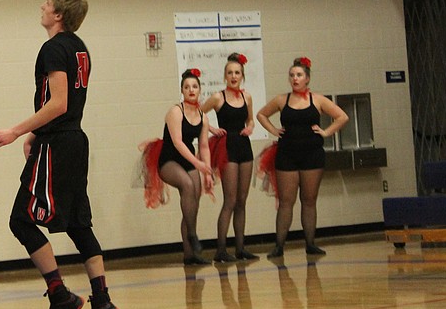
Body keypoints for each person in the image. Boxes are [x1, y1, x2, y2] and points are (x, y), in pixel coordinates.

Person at [0, 0, 121, 309]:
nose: (41, 7)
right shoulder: (79, 47)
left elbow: (58, 103)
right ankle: (102, 302)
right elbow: (66, 104)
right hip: (72, 139)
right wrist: (36, 131)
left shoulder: (54, 48)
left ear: (58, 14)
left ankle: (60, 295)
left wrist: (17, 130)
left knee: (20, 220)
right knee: (78, 223)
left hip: (57, 144)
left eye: (46, 3)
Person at [256, 57, 348, 259]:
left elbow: (342, 116)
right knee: (286, 201)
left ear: (307, 78)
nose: (294, 78)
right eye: (291, 75)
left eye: (298, 75)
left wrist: (326, 132)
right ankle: (279, 246)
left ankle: (310, 244)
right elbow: (261, 114)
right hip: (287, 154)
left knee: (309, 200)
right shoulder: (282, 99)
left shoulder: (318, 100)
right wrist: (273, 129)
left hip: (312, 155)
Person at [144, 69, 220, 265]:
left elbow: (203, 146)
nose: (191, 90)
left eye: (194, 86)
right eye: (187, 87)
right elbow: (177, 142)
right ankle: (193, 235)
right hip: (168, 159)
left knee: (193, 198)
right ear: (182, 91)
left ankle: (189, 254)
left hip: (188, 160)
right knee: (187, 185)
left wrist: (208, 172)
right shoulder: (175, 112)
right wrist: (198, 164)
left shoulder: (203, 117)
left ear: (200, 90)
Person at [202, 53, 257, 263]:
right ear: (225, 76)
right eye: (230, 73)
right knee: (230, 200)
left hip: (244, 145)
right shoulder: (218, 97)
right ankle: (221, 249)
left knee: (242, 201)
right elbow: (197, 114)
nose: (234, 76)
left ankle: (241, 248)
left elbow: (250, 119)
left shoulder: (247, 97)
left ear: (242, 75)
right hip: (227, 147)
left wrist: (251, 127)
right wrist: (212, 128)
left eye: (237, 73)